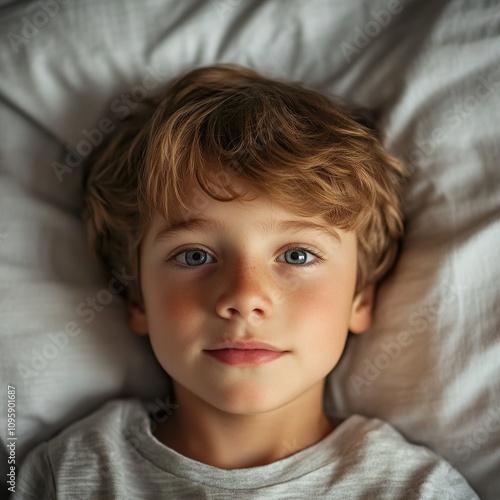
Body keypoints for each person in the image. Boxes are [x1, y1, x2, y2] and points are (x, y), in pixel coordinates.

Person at [14, 64, 479, 499]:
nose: (244, 296)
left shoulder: (416, 489)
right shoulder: (71, 472)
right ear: (137, 297)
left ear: (361, 297)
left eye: (297, 255)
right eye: (195, 255)